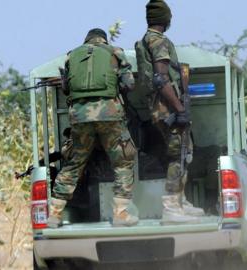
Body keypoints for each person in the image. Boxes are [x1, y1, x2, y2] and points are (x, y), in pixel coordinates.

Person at [47, 28, 138, 228]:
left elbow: (66, 89)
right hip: (109, 114)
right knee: (122, 161)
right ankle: (120, 214)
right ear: (103, 39)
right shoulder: (115, 51)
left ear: (86, 40)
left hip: (79, 117)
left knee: (74, 163)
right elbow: (129, 83)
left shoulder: (72, 56)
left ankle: (54, 214)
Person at [135, 0, 204, 223]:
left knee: (184, 152)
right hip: (166, 107)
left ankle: (180, 202)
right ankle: (172, 207)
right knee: (178, 153)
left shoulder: (147, 40)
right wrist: (179, 107)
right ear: (165, 19)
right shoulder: (158, 41)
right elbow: (160, 78)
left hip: (162, 107)